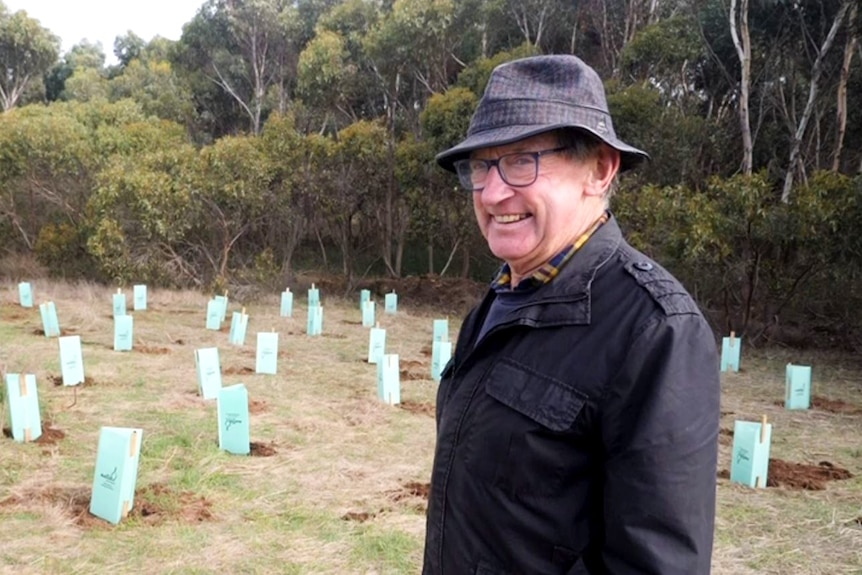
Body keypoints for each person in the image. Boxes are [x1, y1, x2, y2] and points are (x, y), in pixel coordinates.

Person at [422, 54, 720, 574]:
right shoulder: (500, 300)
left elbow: (655, 564)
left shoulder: (655, 330)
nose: (493, 192)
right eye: (481, 166)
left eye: (521, 160)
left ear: (600, 169)